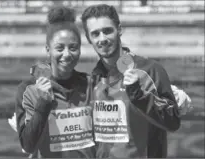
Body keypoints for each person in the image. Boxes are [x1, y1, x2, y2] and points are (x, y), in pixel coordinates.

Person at [80, 4, 189, 158]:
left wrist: (139, 95)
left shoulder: (150, 70)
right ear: (88, 39)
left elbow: (172, 121)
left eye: (107, 31)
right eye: (95, 34)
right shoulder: (94, 79)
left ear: (119, 29)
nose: (102, 38)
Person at [14, 6, 96, 158]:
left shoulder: (91, 85)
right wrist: (43, 104)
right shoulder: (28, 90)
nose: (67, 54)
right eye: (59, 48)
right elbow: (28, 145)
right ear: (48, 50)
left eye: (73, 48)